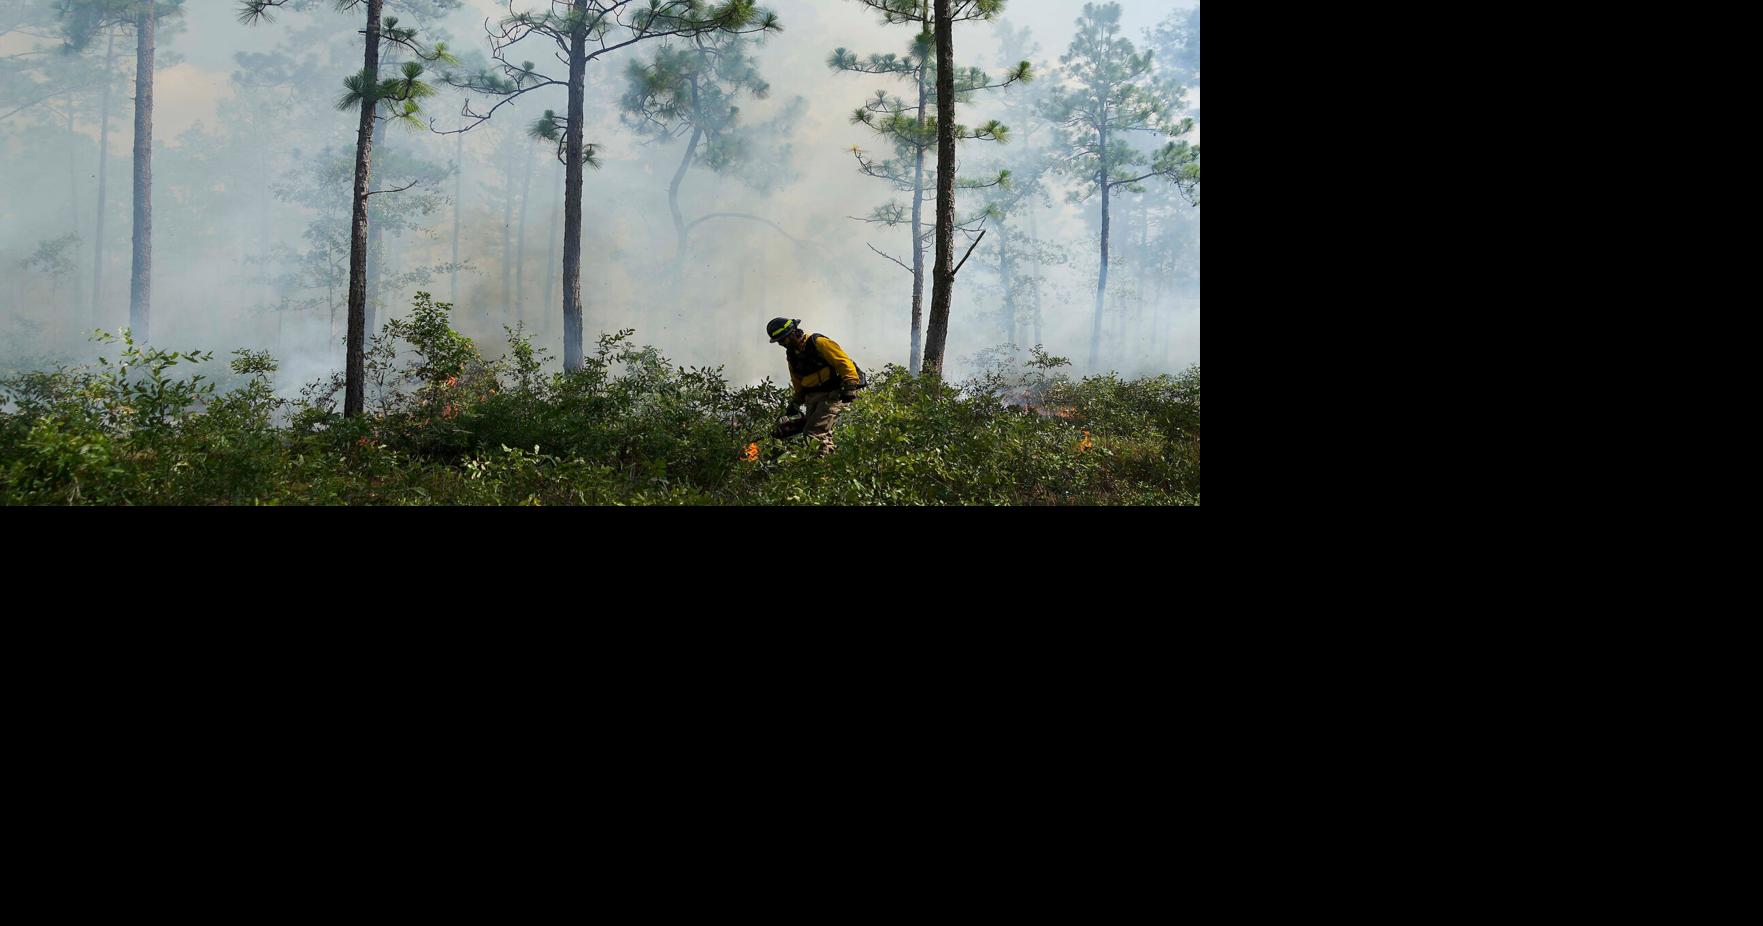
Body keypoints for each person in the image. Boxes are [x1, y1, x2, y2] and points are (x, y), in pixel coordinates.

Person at [767, 317, 865, 456]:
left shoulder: (818, 342)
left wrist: (850, 385)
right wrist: (796, 402)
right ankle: (830, 465)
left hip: (833, 394)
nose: (781, 344)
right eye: (779, 341)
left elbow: (844, 363)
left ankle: (820, 470)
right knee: (818, 434)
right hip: (813, 397)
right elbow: (797, 380)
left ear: (793, 333)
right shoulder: (792, 354)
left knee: (814, 433)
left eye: (783, 339)